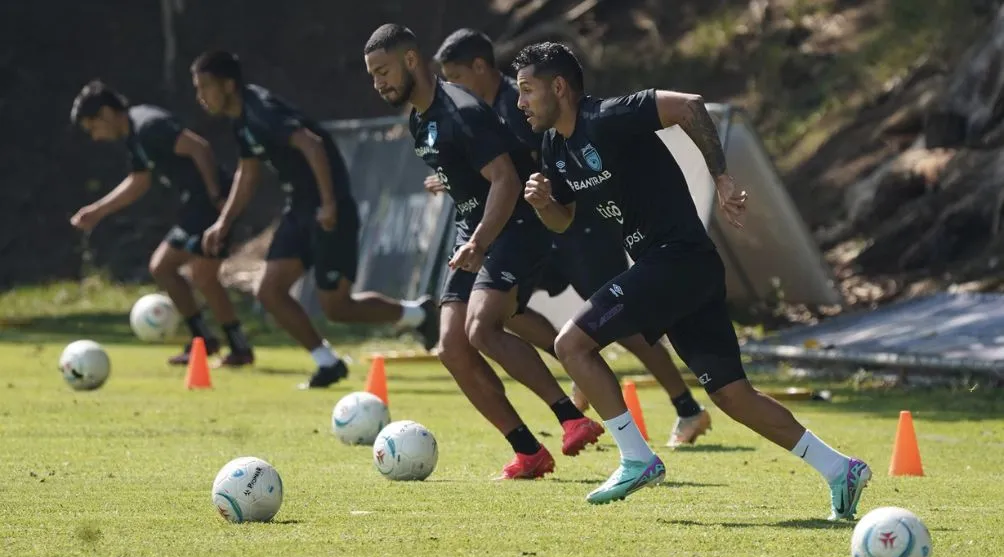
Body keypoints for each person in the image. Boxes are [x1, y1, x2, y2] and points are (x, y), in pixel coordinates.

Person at [514, 41, 872, 513]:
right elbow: (563, 220)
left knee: (571, 344)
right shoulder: (554, 147)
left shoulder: (608, 116)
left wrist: (721, 178)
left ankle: (636, 458)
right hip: (681, 269)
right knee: (732, 395)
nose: (520, 102)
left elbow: (689, 106)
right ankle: (840, 470)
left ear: (559, 87)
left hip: (676, 260)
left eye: (526, 90)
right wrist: (544, 206)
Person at [433, 28, 712, 449]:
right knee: (505, 312)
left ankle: (686, 406)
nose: (453, 88)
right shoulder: (479, 111)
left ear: (478, 66)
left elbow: (543, 158)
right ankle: (581, 367)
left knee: (627, 322)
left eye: (456, 77)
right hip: (534, 228)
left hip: (578, 229)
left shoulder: (521, 100)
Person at [363, 24, 604, 479]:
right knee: (451, 348)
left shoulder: (461, 110)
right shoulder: (420, 118)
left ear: (412, 61)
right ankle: (528, 451)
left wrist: (479, 241)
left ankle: (571, 418)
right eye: (372, 76)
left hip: (514, 225)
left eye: (384, 71)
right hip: (473, 230)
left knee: (481, 328)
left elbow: (506, 180)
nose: (379, 83)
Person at [189, 51, 437, 389]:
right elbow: (247, 174)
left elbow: (312, 145)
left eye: (206, 86)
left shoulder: (262, 111)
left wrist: (329, 203)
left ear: (228, 85)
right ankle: (327, 362)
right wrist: (224, 223)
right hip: (300, 209)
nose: (201, 96)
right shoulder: (243, 120)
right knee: (269, 289)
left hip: (326, 209)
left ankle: (418, 314)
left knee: (337, 307)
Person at [69, 80, 254, 367]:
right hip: (196, 205)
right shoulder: (134, 135)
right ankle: (204, 341)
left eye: (93, 127)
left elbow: (199, 148)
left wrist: (216, 195)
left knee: (201, 274)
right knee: (164, 267)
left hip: (211, 203)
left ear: (105, 113)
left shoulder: (149, 124)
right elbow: (139, 181)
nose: (95, 136)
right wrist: (97, 211)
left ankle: (236, 348)